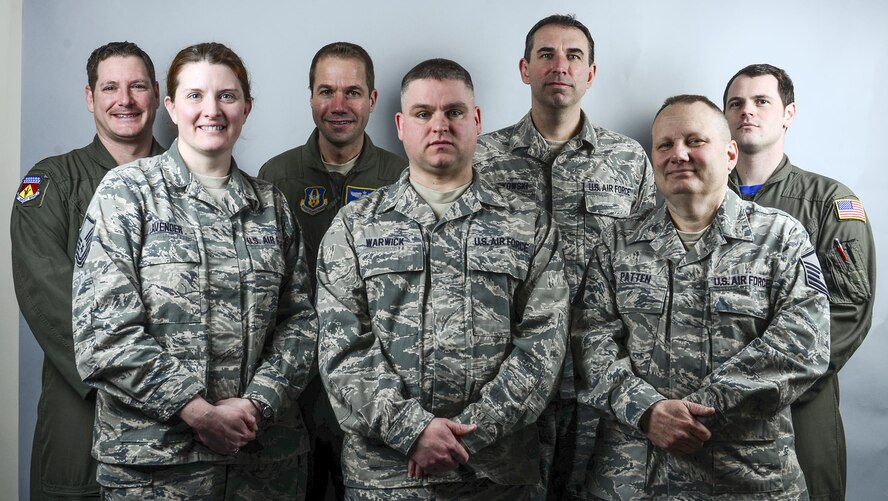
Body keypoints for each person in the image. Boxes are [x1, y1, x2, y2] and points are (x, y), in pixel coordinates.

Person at [71, 42, 317, 499]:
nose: (212, 110)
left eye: (227, 96)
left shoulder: (271, 206)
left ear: (246, 107)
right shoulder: (127, 193)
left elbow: (302, 322)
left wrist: (255, 403)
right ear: (171, 106)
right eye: (195, 96)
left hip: (262, 466)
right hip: (155, 467)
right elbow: (103, 333)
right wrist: (197, 412)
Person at [316, 58, 568, 500]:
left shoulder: (529, 224)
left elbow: (543, 344)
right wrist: (412, 430)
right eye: (422, 113)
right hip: (388, 476)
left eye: (453, 112)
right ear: (400, 124)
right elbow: (342, 347)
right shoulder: (353, 226)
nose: (439, 125)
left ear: (476, 120)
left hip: (495, 476)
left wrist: (468, 435)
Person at [572, 95, 830, 499]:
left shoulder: (780, 238)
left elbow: (803, 346)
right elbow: (589, 341)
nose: (679, 154)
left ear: (729, 154)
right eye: (665, 144)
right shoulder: (617, 242)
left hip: (746, 478)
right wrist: (646, 410)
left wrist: (699, 411)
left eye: (695, 141)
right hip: (635, 476)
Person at [473, 14, 656, 498]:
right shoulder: (482, 158)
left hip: (601, 375)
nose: (561, 66)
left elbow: (649, 264)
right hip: (507, 373)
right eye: (546, 54)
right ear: (524, 69)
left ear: (591, 73)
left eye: (574, 55)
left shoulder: (628, 160)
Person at [11, 41, 164, 500]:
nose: (125, 100)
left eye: (137, 86)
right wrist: (146, 381)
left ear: (157, 95)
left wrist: (178, 391)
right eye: (110, 87)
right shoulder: (51, 184)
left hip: (176, 424)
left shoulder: (191, 183)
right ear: (89, 97)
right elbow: (49, 298)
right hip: (84, 414)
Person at [258, 42, 406, 500]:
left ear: (374, 100)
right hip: (296, 389)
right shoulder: (275, 178)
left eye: (352, 92)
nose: (339, 106)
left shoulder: (401, 177)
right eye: (326, 92)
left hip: (375, 380)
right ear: (309, 98)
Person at [723, 64, 875, 501]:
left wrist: (756, 387)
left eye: (761, 101)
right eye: (736, 103)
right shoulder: (700, 198)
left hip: (797, 409)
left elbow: (846, 316)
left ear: (789, 113)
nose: (746, 111)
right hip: (709, 410)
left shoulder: (830, 203)